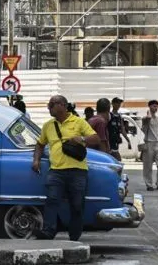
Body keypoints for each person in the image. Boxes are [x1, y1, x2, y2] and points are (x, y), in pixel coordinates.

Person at [31, 95, 100, 241]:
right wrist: (36, 160)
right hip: (56, 171)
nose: (48, 108)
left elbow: (96, 138)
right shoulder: (48, 125)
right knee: (51, 201)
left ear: (62, 105)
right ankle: (49, 232)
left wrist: (81, 139)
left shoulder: (78, 122)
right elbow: (40, 144)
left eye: (51, 105)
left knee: (76, 204)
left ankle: (74, 236)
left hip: (77, 171)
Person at [141, 100, 158, 191]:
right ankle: (149, 184)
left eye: (156, 106)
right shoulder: (145, 118)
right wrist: (148, 117)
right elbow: (143, 129)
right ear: (149, 107)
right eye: (154, 106)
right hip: (149, 143)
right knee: (148, 165)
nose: (155, 108)